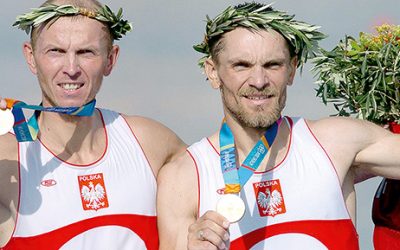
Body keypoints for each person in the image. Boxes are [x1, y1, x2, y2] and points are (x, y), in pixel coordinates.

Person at [157, 2, 400, 249]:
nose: (259, 81)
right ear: (213, 72)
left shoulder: (336, 142)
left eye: (273, 65)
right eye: (242, 65)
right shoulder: (184, 177)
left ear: (292, 69)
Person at [0, 0, 185, 249]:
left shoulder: (152, 144)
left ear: (110, 59)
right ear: (31, 58)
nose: (71, 68)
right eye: (56, 51)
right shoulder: (7, 160)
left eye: (86, 52)